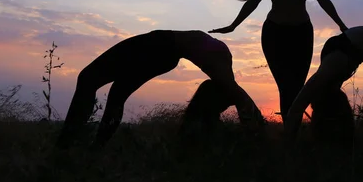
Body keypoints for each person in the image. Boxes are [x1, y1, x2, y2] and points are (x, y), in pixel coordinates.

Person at [209, 0, 348, 120]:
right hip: (274, 34)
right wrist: (233, 25)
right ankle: (289, 133)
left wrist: (341, 24)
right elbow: (252, 2)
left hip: (302, 34)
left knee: (298, 86)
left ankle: (293, 132)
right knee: (285, 85)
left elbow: (323, 0)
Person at [55, 29, 264, 149]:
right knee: (115, 93)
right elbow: (235, 92)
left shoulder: (218, 57)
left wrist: (256, 126)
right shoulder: (220, 59)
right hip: (162, 50)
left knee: (90, 79)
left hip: (159, 46)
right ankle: (92, 147)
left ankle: (69, 144)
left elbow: (235, 92)